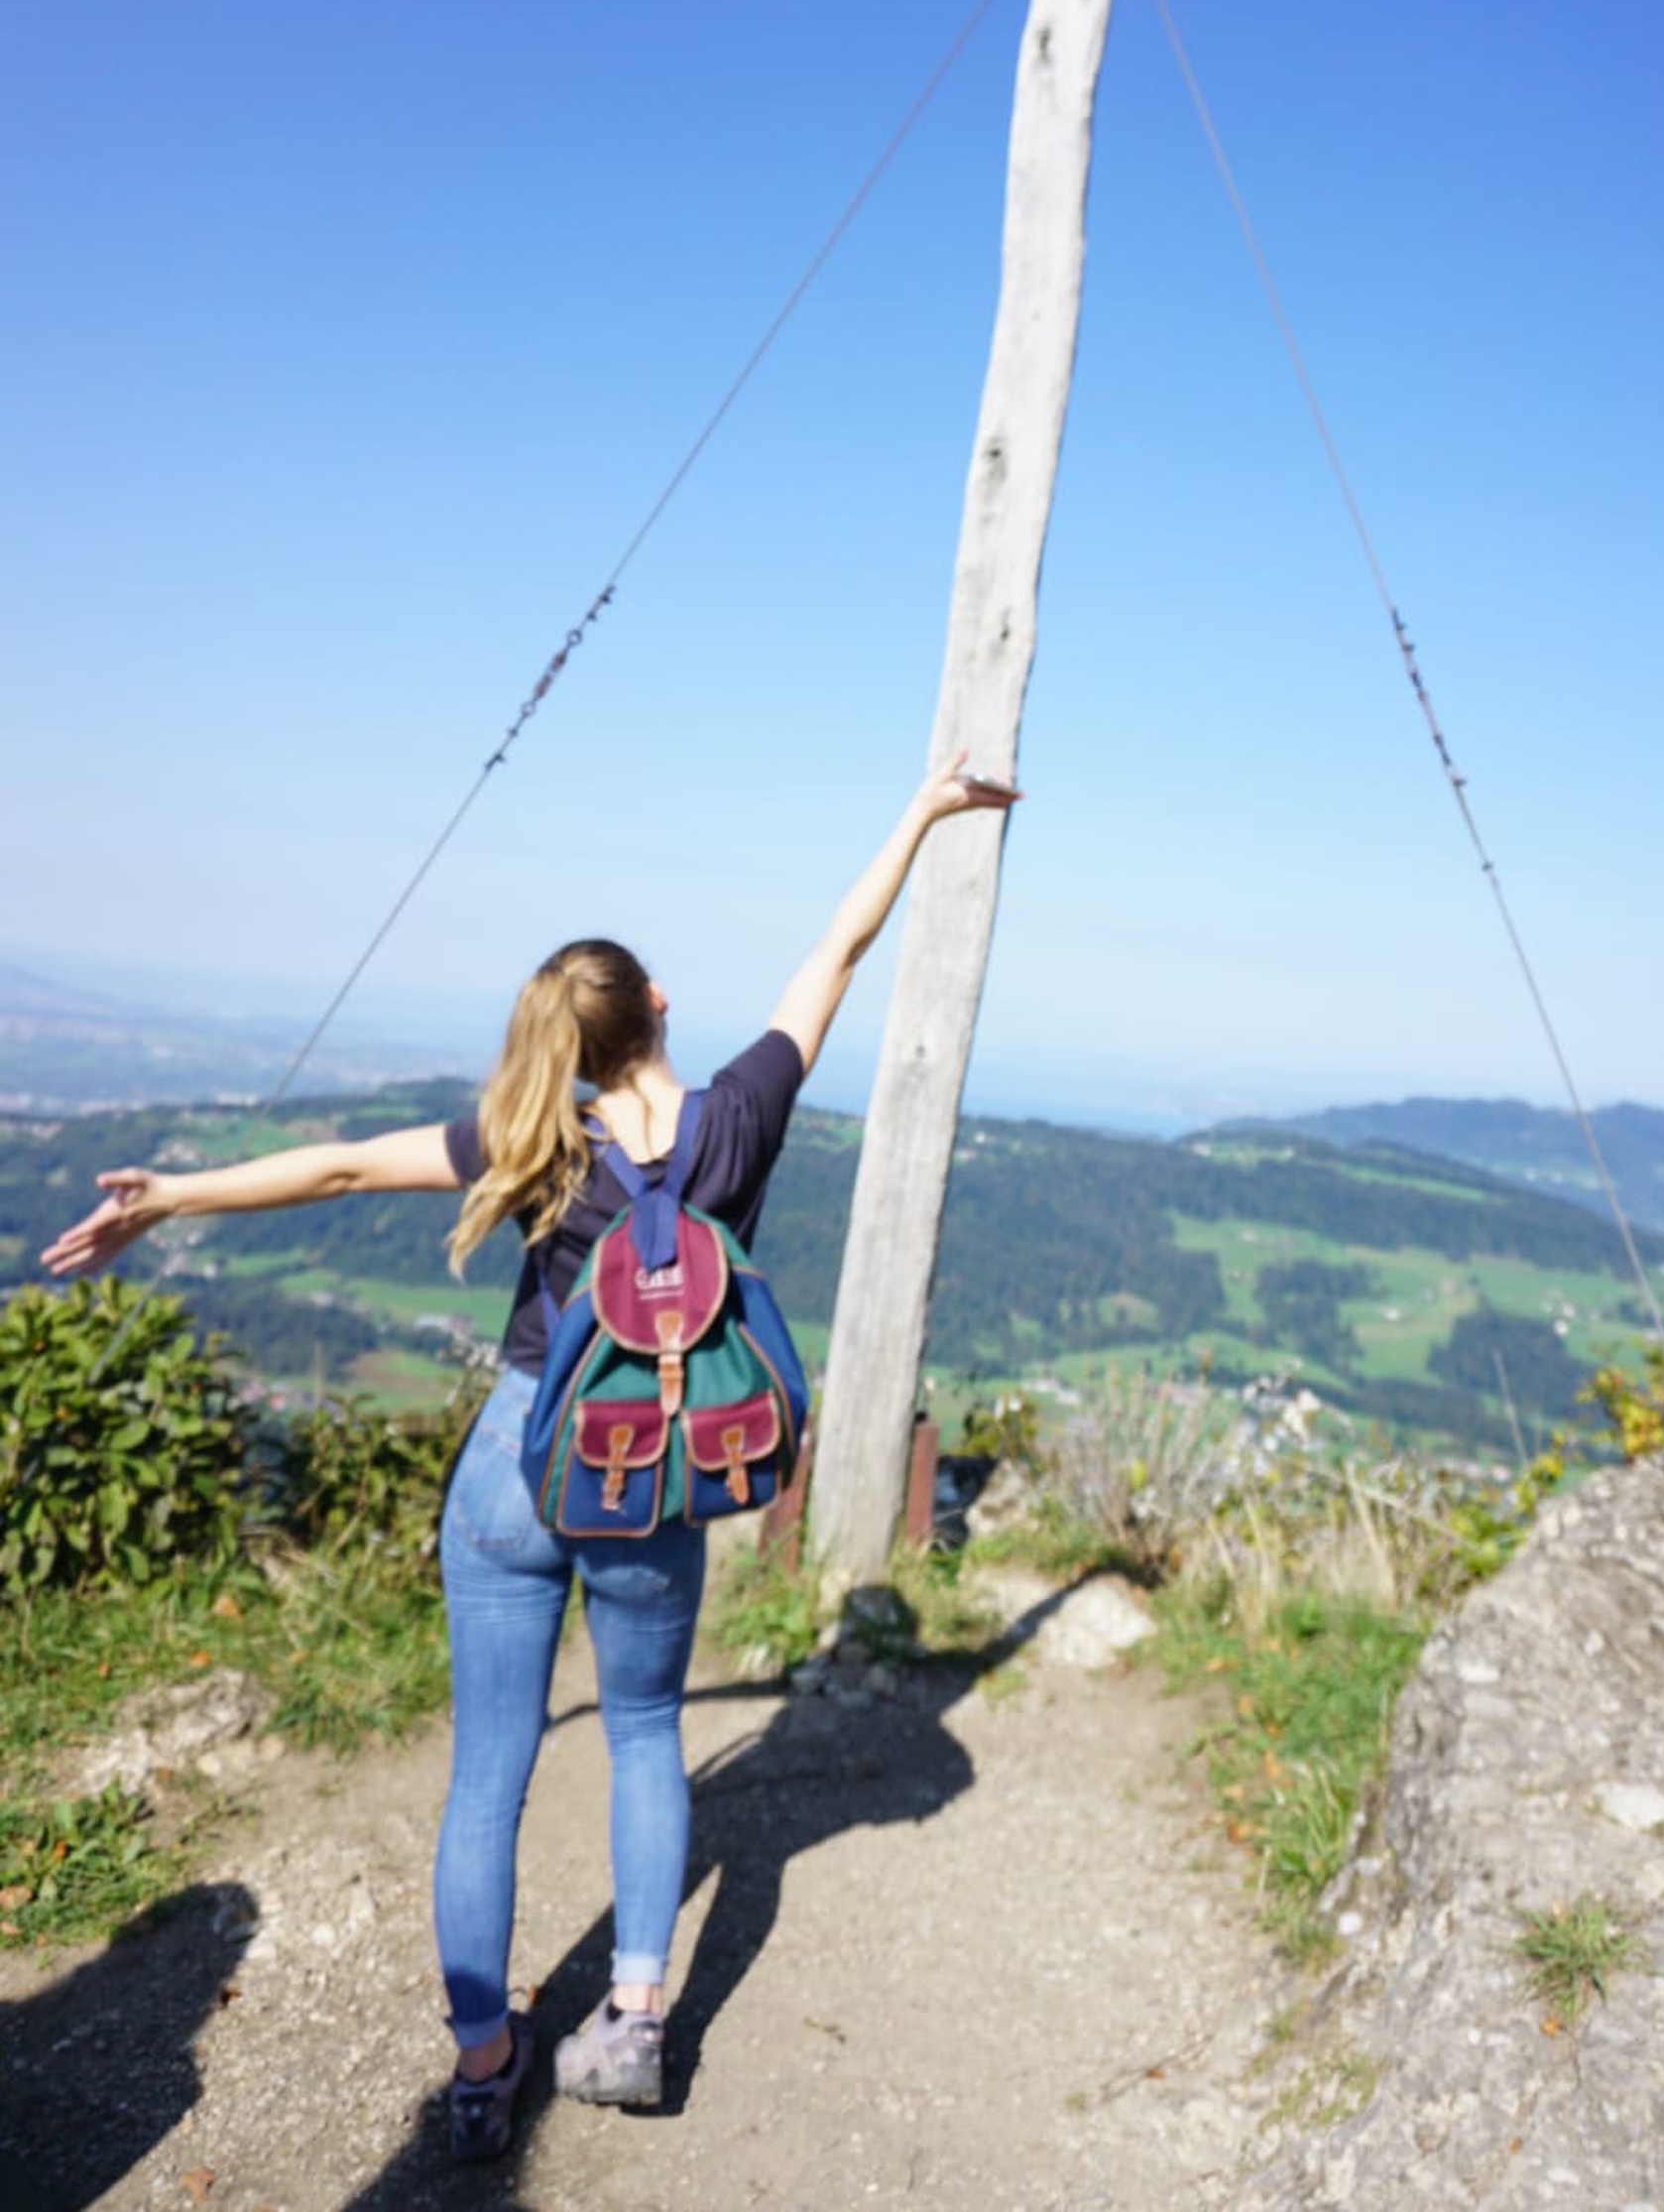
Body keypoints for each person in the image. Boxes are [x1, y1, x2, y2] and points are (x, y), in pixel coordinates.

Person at [41, 754, 1017, 2160]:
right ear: (659, 1006)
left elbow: (336, 1167)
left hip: (517, 1457)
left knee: (486, 1771)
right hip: (647, 1479)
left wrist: (173, 1193)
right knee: (640, 1734)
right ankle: (630, 2026)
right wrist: (924, 811)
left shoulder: (533, 1136)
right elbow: (839, 948)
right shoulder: (737, 1115)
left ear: (561, 1037)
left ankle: (487, 2066)